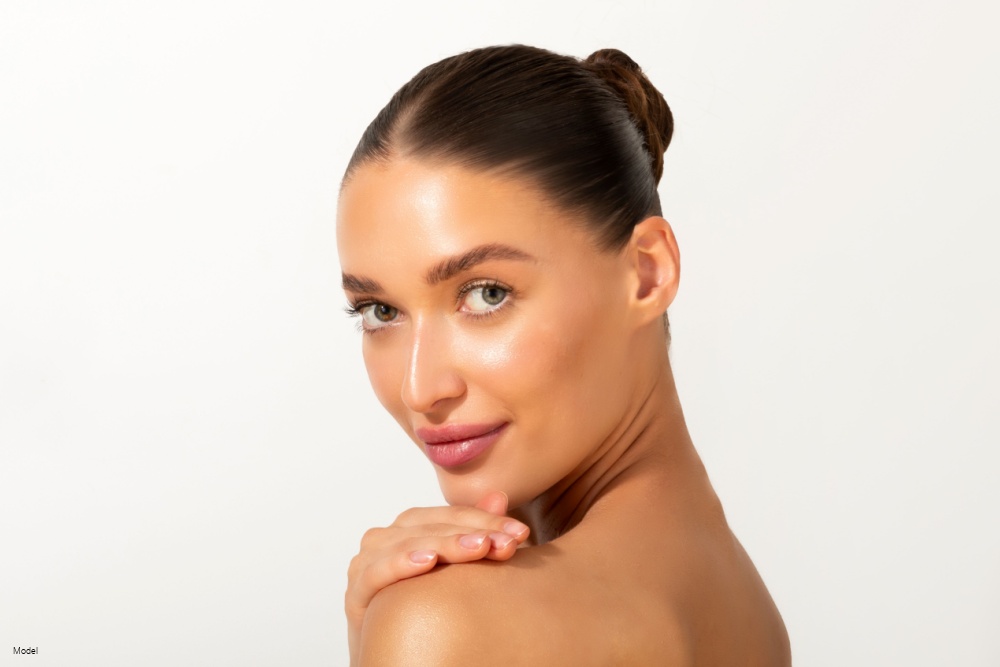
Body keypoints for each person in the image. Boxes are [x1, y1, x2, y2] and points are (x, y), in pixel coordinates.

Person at [337, 44, 790, 666]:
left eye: (486, 294)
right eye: (380, 311)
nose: (420, 389)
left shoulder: (447, 623)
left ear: (646, 274)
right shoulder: (741, 607)